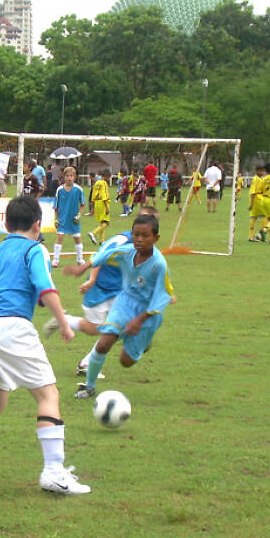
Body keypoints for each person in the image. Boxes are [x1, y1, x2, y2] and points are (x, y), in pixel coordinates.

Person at [0, 195, 90, 495]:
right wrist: (63, 323)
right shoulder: (35, 250)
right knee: (48, 395)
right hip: (11, 328)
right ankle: (54, 473)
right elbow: (46, 288)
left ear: (6, 224)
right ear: (38, 225)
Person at [46, 206, 161, 379]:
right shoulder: (123, 240)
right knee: (95, 329)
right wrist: (91, 279)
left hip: (120, 292)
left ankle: (86, 362)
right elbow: (100, 254)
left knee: (120, 329)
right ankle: (65, 321)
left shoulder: (146, 245)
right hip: (99, 289)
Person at [74, 214, 174, 399]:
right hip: (125, 302)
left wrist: (139, 320)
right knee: (105, 342)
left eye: (145, 236)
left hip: (148, 313)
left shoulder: (159, 264)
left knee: (125, 362)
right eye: (136, 235)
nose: (139, 239)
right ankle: (89, 386)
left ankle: (144, 341)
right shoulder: (127, 251)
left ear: (156, 238)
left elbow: (165, 294)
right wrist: (86, 266)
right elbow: (106, 254)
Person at [52, 166, 86, 268]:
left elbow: (83, 204)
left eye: (71, 176)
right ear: (64, 177)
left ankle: (80, 259)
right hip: (63, 219)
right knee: (60, 238)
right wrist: (56, 218)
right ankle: (56, 260)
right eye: (67, 176)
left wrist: (79, 215)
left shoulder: (78, 189)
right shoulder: (59, 190)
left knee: (77, 239)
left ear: (75, 177)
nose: (69, 178)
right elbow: (56, 206)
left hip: (73, 220)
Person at [88, 170, 111, 245]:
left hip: (97, 203)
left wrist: (92, 206)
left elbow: (93, 194)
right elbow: (103, 195)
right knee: (107, 223)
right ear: (107, 176)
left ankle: (102, 240)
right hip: (103, 203)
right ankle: (93, 233)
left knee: (102, 222)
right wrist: (107, 207)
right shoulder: (103, 183)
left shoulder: (97, 182)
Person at [248, 165, 266, 241]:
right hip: (257, 199)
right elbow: (253, 192)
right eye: (261, 171)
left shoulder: (260, 179)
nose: (262, 172)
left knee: (254, 217)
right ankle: (260, 233)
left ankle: (251, 236)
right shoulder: (255, 179)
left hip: (259, 198)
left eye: (263, 171)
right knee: (266, 215)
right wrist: (251, 204)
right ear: (257, 171)